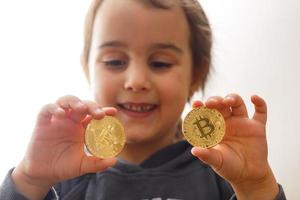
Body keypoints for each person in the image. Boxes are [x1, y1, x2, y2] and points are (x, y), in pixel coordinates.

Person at [0, 0, 286, 199]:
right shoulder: (61, 175)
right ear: (88, 68)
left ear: (196, 75)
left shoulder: (223, 173)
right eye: (114, 61)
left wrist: (256, 187)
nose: (136, 80)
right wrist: (29, 180)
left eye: (160, 63)